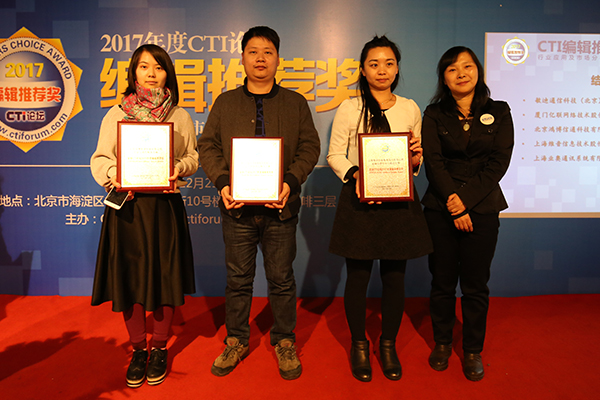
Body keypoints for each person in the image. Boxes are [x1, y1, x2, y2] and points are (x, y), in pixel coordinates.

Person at [197, 26, 320, 380]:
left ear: (278, 58)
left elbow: (310, 146)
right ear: (242, 58)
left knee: (281, 279)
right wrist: (223, 182)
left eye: (268, 52)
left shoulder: (295, 103)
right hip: (237, 210)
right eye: (253, 51)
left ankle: (284, 340)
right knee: (238, 279)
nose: (261, 58)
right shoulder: (225, 103)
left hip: (280, 209)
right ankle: (236, 339)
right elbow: (208, 146)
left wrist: (290, 182)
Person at [90, 44, 198, 388]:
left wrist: (179, 167)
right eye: (144, 66)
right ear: (133, 72)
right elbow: (100, 159)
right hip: (128, 209)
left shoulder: (179, 116)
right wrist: (115, 174)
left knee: (165, 277)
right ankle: (139, 349)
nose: (151, 73)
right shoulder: (116, 114)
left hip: (165, 208)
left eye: (159, 67)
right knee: (131, 278)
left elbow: (192, 157)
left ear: (168, 74)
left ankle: (161, 347)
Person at [327, 35, 432, 382]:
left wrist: (415, 160)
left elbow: (414, 159)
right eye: (374, 64)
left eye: (389, 63)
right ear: (363, 70)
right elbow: (335, 155)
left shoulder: (410, 108)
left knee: (394, 278)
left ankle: (388, 344)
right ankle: (359, 344)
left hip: (398, 204)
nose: (381, 70)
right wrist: (356, 175)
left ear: (397, 69)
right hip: (359, 201)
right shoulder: (349, 107)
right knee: (357, 277)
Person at [421, 46, 514, 381]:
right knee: (442, 282)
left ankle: (473, 349)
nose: (461, 73)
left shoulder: (499, 111)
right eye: (452, 69)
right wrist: (453, 201)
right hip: (441, 208)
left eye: (467, 66)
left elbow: (498, 163)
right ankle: (442, 342)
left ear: (478, 71)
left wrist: (465, 201)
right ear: (444, 79)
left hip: (483, 208)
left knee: (475, 285)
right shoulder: (434, 114)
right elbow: (433, 161)